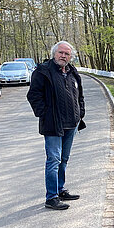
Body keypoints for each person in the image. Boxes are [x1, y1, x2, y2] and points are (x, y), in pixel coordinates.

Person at [27, 41, 86, 210]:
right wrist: (44, 113)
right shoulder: (43, 71)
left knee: (64, 159)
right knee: (53, 159)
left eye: (67, 54)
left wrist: (80, 112)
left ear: (70, 57)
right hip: (53, 124)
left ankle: (60, 190)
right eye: (61, 53)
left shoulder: (72, 72)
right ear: (54, 53)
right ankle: (51, 197)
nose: (63, 56)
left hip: (72, 124)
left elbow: (80, 95)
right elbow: (33, 95)